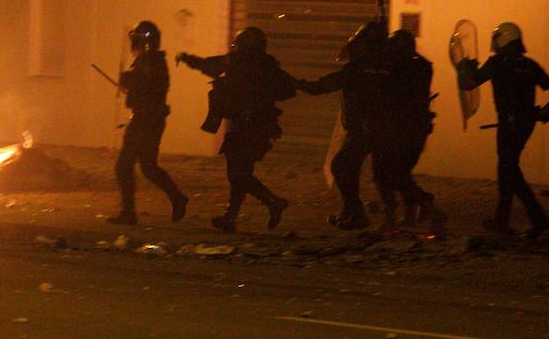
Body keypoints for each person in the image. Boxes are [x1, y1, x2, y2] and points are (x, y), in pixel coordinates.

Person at [177, 26, 294, 233]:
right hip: (259, 126)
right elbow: (289, 88)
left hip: (245, 127)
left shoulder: (237, 62)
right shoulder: (268, 65)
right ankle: (231, 217)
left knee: (238, 174)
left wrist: (187, 58)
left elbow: (210, 65)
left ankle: (273, 202)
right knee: (240, 174)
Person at [457, 22, 549, 238]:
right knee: (507, 169)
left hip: (508, 124)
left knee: (509, 170)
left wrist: (463, 67)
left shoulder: (497, 64)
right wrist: (544, 112)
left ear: (503, 41)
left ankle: (538, 218)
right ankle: (502, 219)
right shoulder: (530, 65)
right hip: (526, 123)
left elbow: (469, 84)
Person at [296, 20, 390, 230]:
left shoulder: (358, 70)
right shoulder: (386, 69)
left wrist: (300, 84)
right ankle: (351, 211)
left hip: (364, 130)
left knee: (341, 166)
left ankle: (356, 212)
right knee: (355, 168)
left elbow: (326, 85)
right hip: (380, 129)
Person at [108, 21, 188, 226]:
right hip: (149, 120)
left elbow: (145, 84)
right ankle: (177, 198)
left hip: (146, 121)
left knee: (124, 166)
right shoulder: (149, 61)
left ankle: (129, 212)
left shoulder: (152, 62)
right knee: (148, 167)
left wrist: (127, 79)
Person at [373, 29, 447, 234]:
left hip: (402, 128)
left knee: (388, 173)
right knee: (400, 174)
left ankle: (424, 209)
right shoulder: (420, 66)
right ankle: (410, 215)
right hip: (412, 129)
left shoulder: (407, 69)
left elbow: (391, 86)